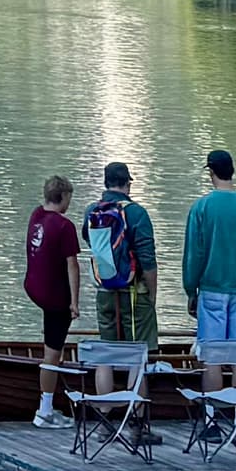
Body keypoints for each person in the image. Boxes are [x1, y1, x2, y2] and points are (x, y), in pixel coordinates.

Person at [181, 150, 236, 388]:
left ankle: (212, 415)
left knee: (212, 357)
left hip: (210, 290)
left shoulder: (201, 207)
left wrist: (191, 290)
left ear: (211, 172)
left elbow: (193, 255)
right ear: (232, 171)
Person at [80, 160, 155, 387]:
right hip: (134, 293)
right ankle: (138, 412)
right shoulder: (137, 213)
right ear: (127, 184)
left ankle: (105, 407)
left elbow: (89, 240)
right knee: (138, 354)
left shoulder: (91, 211)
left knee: (106, 351)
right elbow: (148, 261)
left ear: (106, 182)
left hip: (104, 290)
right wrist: (152, 296)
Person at [21, 175, 82, 412]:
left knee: (54, 341)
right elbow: (72, 266)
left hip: (34, 287)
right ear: (64, 196)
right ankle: (45, 410)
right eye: (69, 197)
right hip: (55, 296)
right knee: (52, 353)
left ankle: (57, 389)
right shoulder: (65, 226)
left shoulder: (36, 215)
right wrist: (74, 303)